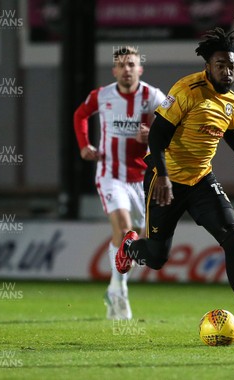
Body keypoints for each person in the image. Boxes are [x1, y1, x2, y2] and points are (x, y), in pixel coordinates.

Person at [114, 27, 234, 343]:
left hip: (202, 180)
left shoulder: (231, 100)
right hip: (164, 179)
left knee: (233, 239)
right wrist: (162, 176)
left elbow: (232, 133)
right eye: (220, 64)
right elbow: (157, 136)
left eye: (231, 65)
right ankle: (129, 246)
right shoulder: (187, 91)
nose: (227, 70)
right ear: (208, 65)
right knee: (156, 258)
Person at [73, 46, 165, 320]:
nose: (127, 69)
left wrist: (153, 135)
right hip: (110, 175)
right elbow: (80, 115)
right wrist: (84, 145)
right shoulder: (102, 95)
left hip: (142, 179)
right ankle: (120, 290)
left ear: (140, 69)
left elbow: (174, 125)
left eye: (131, 64)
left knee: (135, 237)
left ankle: (114, 287)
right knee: (126, 230)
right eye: (122, 65)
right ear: (114, 71)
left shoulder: (152, 96)